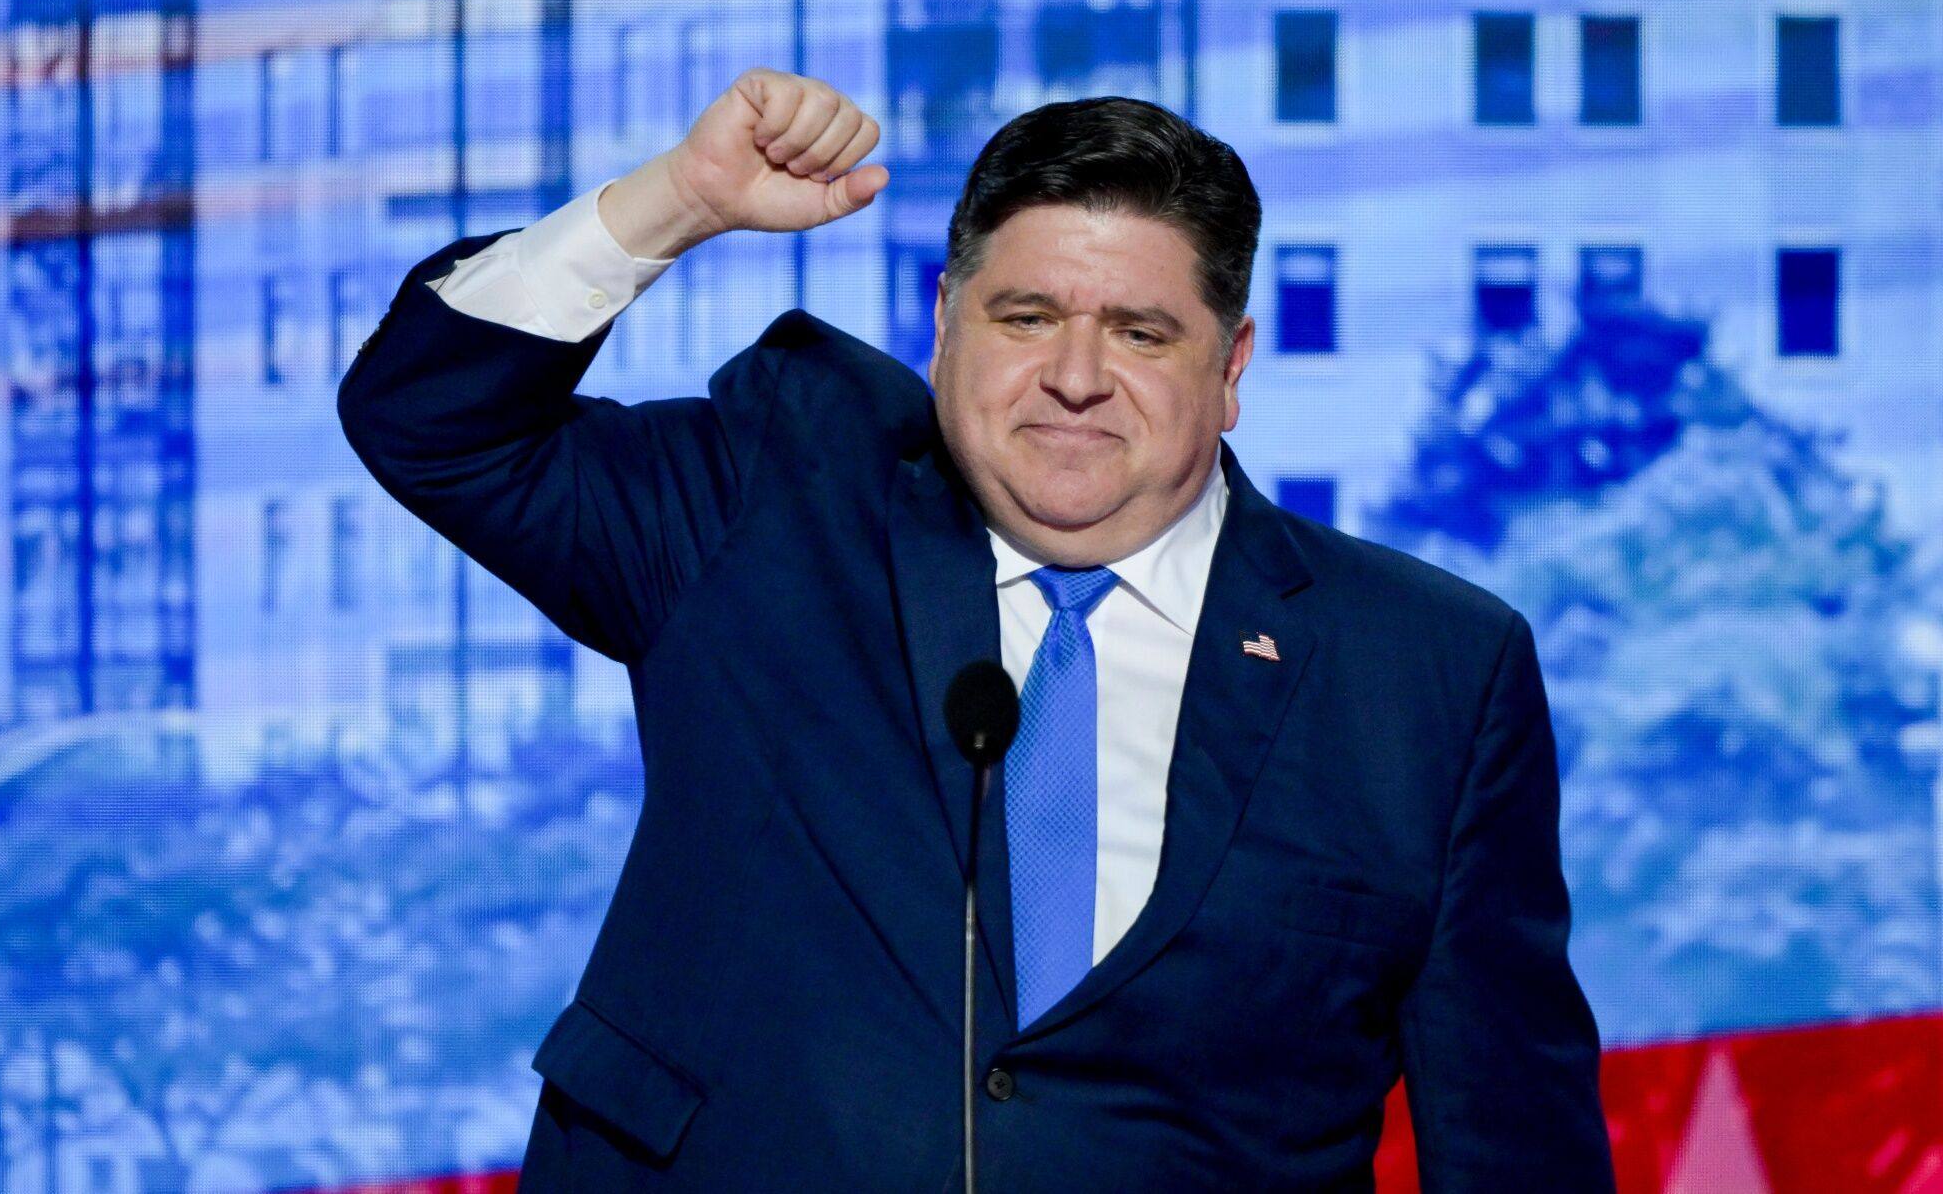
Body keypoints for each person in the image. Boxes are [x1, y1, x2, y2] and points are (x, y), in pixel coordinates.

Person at [337, 68, 1616, 1190]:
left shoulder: (1426, 668)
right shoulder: (771, 498)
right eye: (1024, 316)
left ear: (1228, 370)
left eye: (1138, 332)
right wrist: (675, 200)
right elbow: (428, 419)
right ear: (946, 319)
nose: (1072, 374)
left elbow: (1510, 1138)